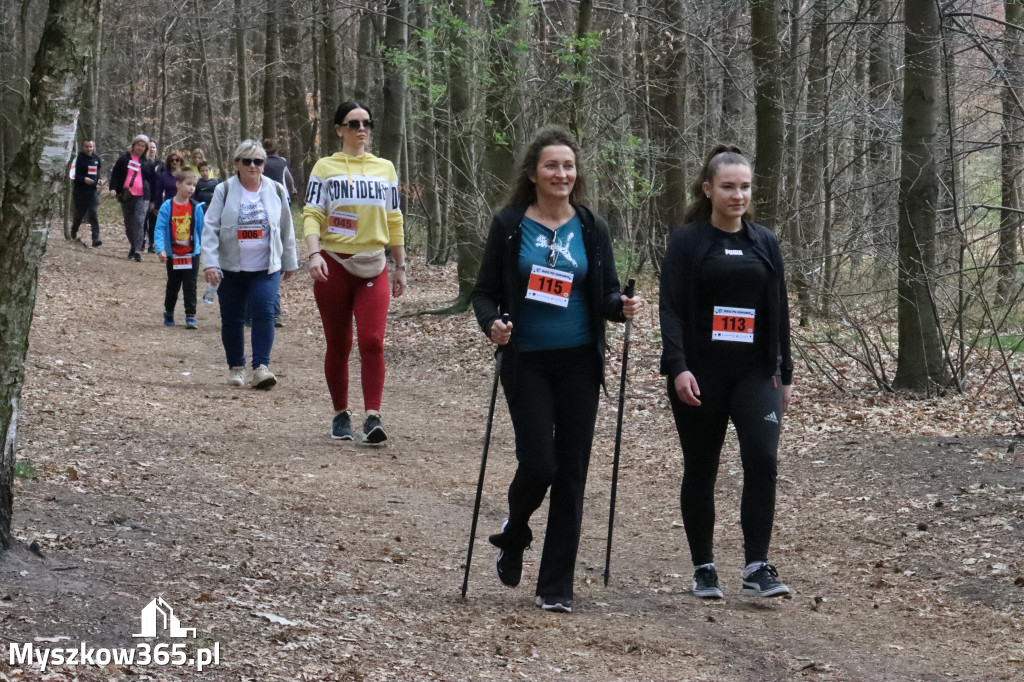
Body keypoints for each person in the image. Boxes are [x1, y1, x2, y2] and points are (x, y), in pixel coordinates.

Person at [470, 126, 642, 614]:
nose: (561, 174)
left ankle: (555, 585)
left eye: (568, 166)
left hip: (580, 361)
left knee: (571, 473)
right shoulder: (508, 225)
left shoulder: (591, 227)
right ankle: (516, 529)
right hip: (527, 361)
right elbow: (483, 292)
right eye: (551, 165)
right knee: (540, 464)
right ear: (533, 173)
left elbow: (605, 293)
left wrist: (621, 306)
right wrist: (493, 324)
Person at [659, 145, 794, 601]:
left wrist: (785, 374)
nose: (738, 195)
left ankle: (757, 565)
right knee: (702, 466)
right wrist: (678, 368)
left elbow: (780, 311)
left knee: (763, 459)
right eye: (728, 186)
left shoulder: (765, 242)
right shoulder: (688, 242)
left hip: (755, 373)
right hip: (701, 373)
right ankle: (704, 568)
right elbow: (671, 310)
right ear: (708, 189)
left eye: (745, 187)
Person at [302, 102, 406, 444]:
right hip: (333, 263)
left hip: (373, 263)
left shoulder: (385, 168)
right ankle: (340, 414)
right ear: (339, 129)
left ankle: (373, 416)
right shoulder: (325, 167)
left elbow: (394, 218)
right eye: (354, 123)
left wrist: (400, 264)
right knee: (340, 343)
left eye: (367, 123)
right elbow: (313, 212)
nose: (362, 129)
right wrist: (314, 252)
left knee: (373, 341)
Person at [201, 139, 298, 389]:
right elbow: (210, 228)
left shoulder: (276, 190)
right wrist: (210, 263)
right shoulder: (224, 190)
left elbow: (286, 228)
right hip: (231, 268)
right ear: (237, 164)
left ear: (264, 165)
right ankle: (236, 367)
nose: (253, 166)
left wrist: (289, 260)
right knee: (232, 317)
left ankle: (261, 368)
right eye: (247, 161)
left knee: (264, 311)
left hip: (266, 268)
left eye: (258, 161)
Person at [155, 168, 205, 329]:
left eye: (194, 185)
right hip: (173, 254)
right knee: (173, 285)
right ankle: (168, 311)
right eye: (188, 184)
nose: (191, 188)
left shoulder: (196, 207)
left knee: (190, 285)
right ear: (178, 184)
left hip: (192, 253)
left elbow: (202, 230)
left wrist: (206, 249)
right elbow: (160, 228)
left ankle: (190, 315)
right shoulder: (167, 206)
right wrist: (160, 248)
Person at [108, 134, 157, 262]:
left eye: (143, 146)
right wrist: (113, 189)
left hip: (143, 196)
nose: (140, 148)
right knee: (129, 224)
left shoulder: (147, 162)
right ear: (133, 145)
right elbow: (116, 175)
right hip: (126, 195)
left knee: (140, 222)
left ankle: (137, 250)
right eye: (138, 145)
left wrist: (153, 201)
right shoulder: (124, 159)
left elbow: (154, 182)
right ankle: (132, 245)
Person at [70, 140, 102, 247]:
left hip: (92, 192)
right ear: (83, 147)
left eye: (91, 146)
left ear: (93, 147)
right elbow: (72, 176)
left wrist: (99, 180)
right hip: (80, 191)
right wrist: (83, 179)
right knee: (79, 214)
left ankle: (95, 239)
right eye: (87, 146)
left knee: (93, 213)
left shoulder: (96, 159)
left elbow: (97, 173)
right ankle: (73, 231)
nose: (89, 148)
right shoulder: (78, 159)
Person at [144, 141, 163, 253]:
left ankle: (152, 244)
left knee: (154, 223)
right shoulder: (143, 162)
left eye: (153, 147)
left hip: (156, 196)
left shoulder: (161, 164)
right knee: (142, 222)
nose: (151, 149)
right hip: (143, 195)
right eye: (150, 147)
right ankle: (141, 243)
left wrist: (156, 201)